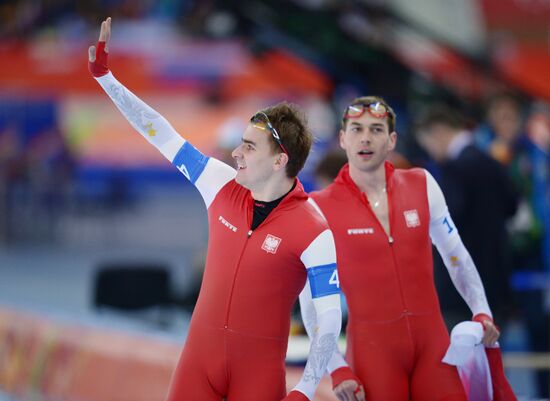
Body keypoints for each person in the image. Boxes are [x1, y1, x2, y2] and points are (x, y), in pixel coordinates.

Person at [88, 17, 342, 401]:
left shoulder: (314, 231)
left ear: (279, 161)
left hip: (257, 377)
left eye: (249, 147)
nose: (236, 153)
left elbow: (328, 320)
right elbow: (161, 132)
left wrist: (305, 390)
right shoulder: (219, 183)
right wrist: (106, 78)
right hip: (198, 366)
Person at [306, 96, 500, 401]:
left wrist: (481, 311)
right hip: (373, 352)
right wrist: (337, 368)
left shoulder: (422, 183)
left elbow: (456, 256)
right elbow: (311, 301)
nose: (366, 137)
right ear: (343, 139)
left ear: (391, 140)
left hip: (433, 345)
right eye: (356, 129)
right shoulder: (319, 207)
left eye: (376, 129)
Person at [415, 105, 518, 325]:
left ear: (439, 132)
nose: (430, 151)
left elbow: (444, 226)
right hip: (497, 280)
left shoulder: (453, 170)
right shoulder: (493, 163)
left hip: (461, 293)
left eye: (428, 144)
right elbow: (513, 206)